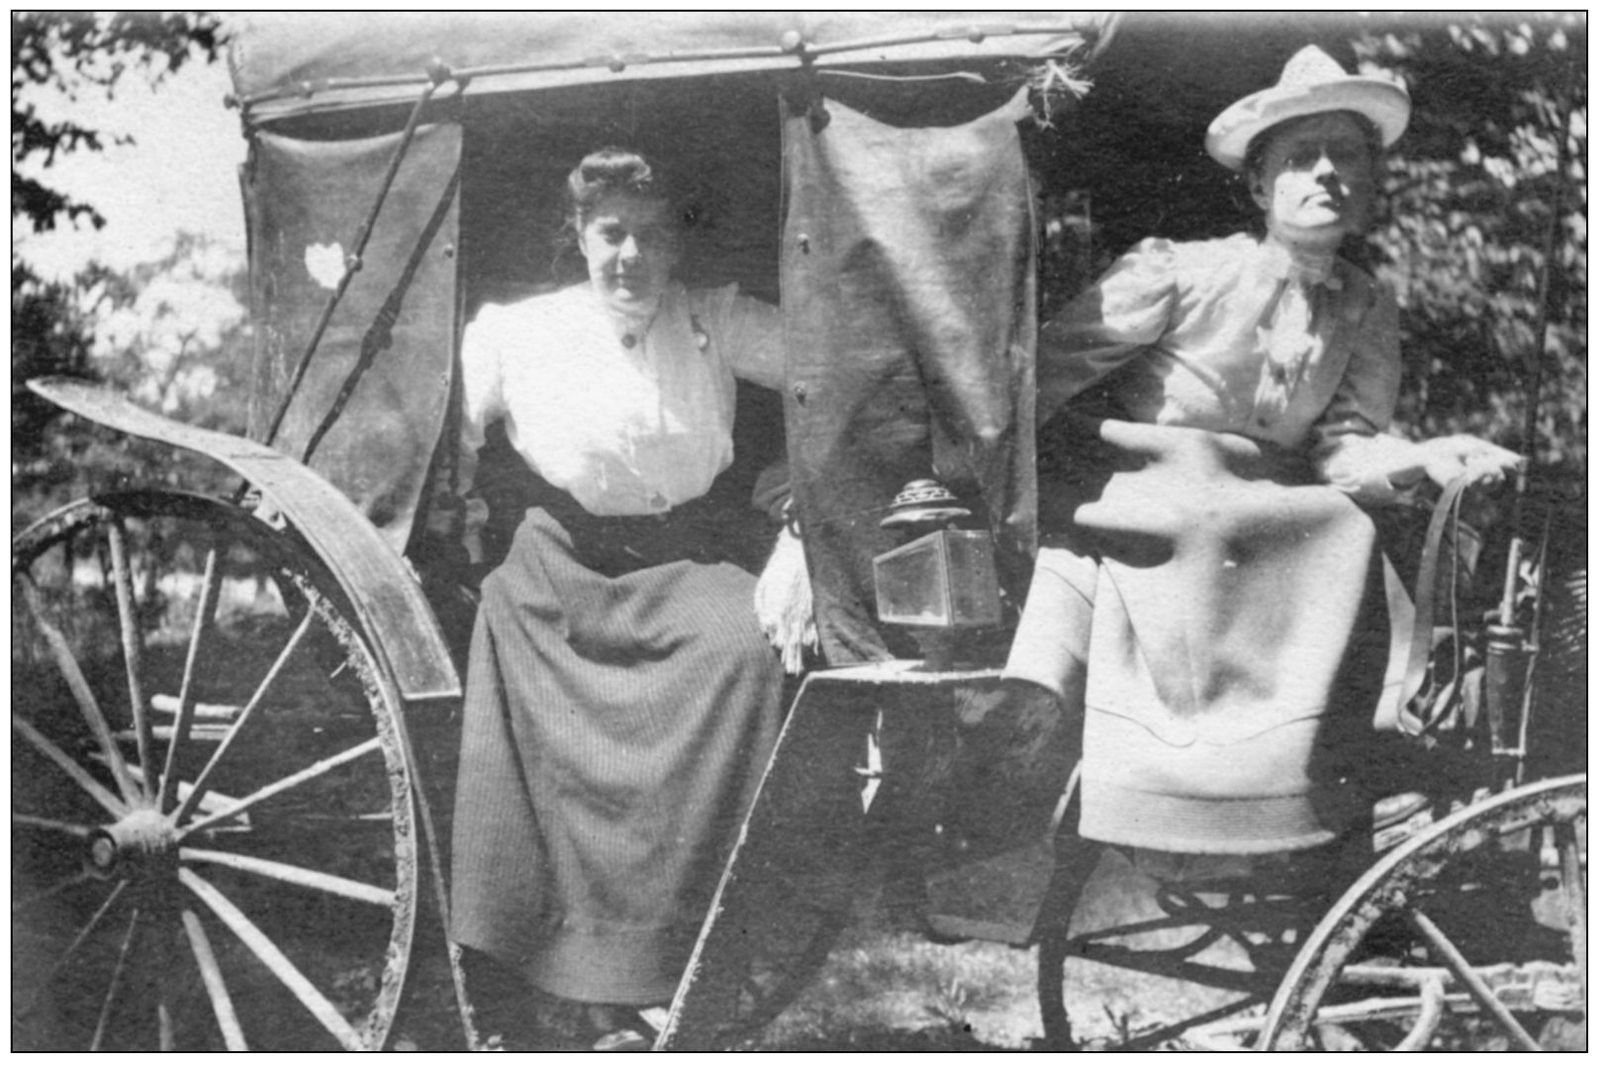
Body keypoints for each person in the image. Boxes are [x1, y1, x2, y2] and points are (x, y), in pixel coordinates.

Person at [1001, 47, 1521, 857]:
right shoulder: (1180, 273)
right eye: (1299, 160)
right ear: (1256, 185)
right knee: (1320, 530)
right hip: (1155, 500)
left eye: (1345, 157)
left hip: (1269, 513)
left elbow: (1344, 448)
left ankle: (1336, 778)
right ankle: (1181, 786)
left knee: (1364, 529)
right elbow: (1037, 382)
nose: (1325, 176)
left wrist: (1427, 454)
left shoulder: (1363, 305)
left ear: (1372, 181)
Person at [444, 147, 788, 1049]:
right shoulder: (516, 331)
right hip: (556, 564)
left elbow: (832, 371)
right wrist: (464, 507)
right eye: (610, 234)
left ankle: (666, 966)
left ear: (677, 244)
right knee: (503, 633)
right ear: (580, 238)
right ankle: (519, 967)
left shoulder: (715, 318)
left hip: (685, 558)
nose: (629, 255)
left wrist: (797, 511)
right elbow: (446, 437)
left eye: (649, 234)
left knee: (745, 650)